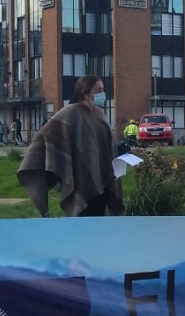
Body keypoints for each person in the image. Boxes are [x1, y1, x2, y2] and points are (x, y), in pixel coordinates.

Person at [17, 74, 124, 217]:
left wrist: (119, 149)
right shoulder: (70, 113)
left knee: (99, 226)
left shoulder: (100, 114)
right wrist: (35, 157)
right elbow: (45, 135)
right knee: (82, 227)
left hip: (103, 181)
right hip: (80, 179)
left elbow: (103, 145)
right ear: (85, 92)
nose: (102, 94)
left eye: (103, 90)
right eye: (98, 90)